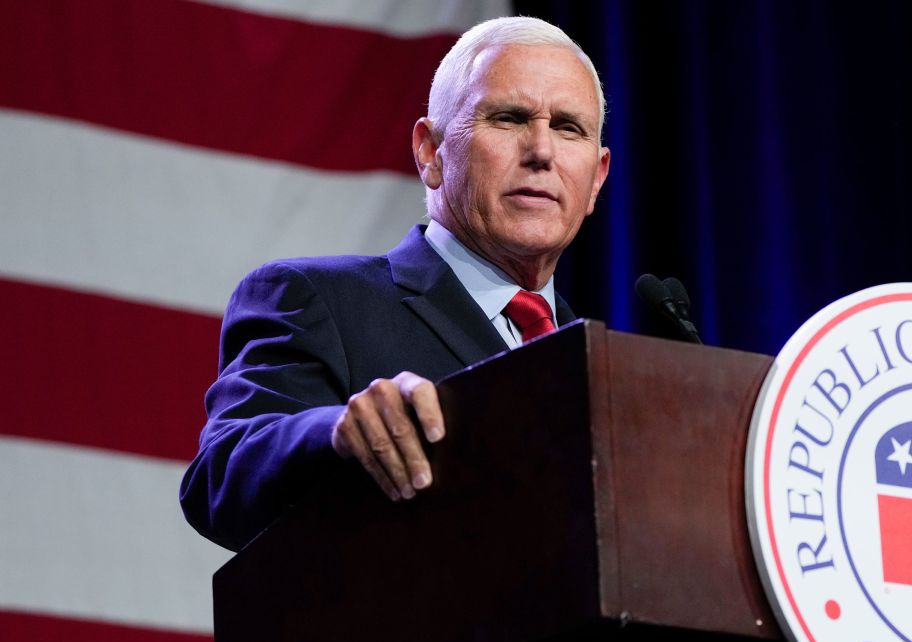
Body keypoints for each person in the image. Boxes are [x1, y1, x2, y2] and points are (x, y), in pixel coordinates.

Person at [180, 17, 610, 551]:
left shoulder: (603, 366)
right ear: (431, 152)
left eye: (569, 127)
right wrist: (337, 432)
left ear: (596, 178)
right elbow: (220, 477)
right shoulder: (318, 300)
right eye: (508, 118)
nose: (542, 151)